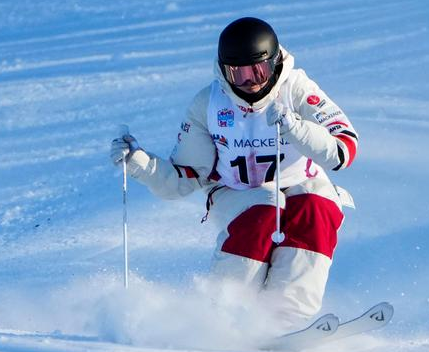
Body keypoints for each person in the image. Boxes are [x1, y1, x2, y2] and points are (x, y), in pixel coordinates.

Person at [110, 17, 358, 332]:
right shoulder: (210, 104)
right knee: (266, 208)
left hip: (301, 183)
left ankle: (285, 321)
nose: (251, 81)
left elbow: (343, 150)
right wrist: (138, 163)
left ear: (275, 63)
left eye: (259, 71)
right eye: (238, 74)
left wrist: (297, 129)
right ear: (224, 71)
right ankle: (223, 314)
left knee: (317, 208)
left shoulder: (297, 90)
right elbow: (184, 178)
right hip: (236, 193)